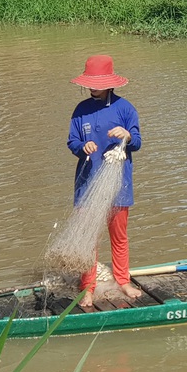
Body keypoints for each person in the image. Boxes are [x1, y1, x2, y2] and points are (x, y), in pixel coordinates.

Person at [67, 55, 143, 308]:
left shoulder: (125, 109)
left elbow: (138, 141)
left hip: (118, 184)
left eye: (96, 82)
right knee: (88, 239)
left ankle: (123, 280)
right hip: (87, 184)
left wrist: (127, 135)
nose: (91, 87)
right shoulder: (81, 110)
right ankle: (86, 287)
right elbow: (72, 142)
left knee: (119, 237)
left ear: (109, 83)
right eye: (89, 82)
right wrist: (82, 146)